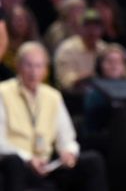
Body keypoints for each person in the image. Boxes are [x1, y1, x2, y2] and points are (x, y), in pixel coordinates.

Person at [0, 41, 108, 191]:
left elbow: (67, 137)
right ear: (18, 66)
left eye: (38, 66)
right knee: (13, 163)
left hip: (47, 165)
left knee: (93, 161)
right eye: (28, 65)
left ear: (45, 70)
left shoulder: (53, 96)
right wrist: (28, 159)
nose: (33, 72)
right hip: (19, 163)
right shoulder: (3, 92)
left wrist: (68, 152)